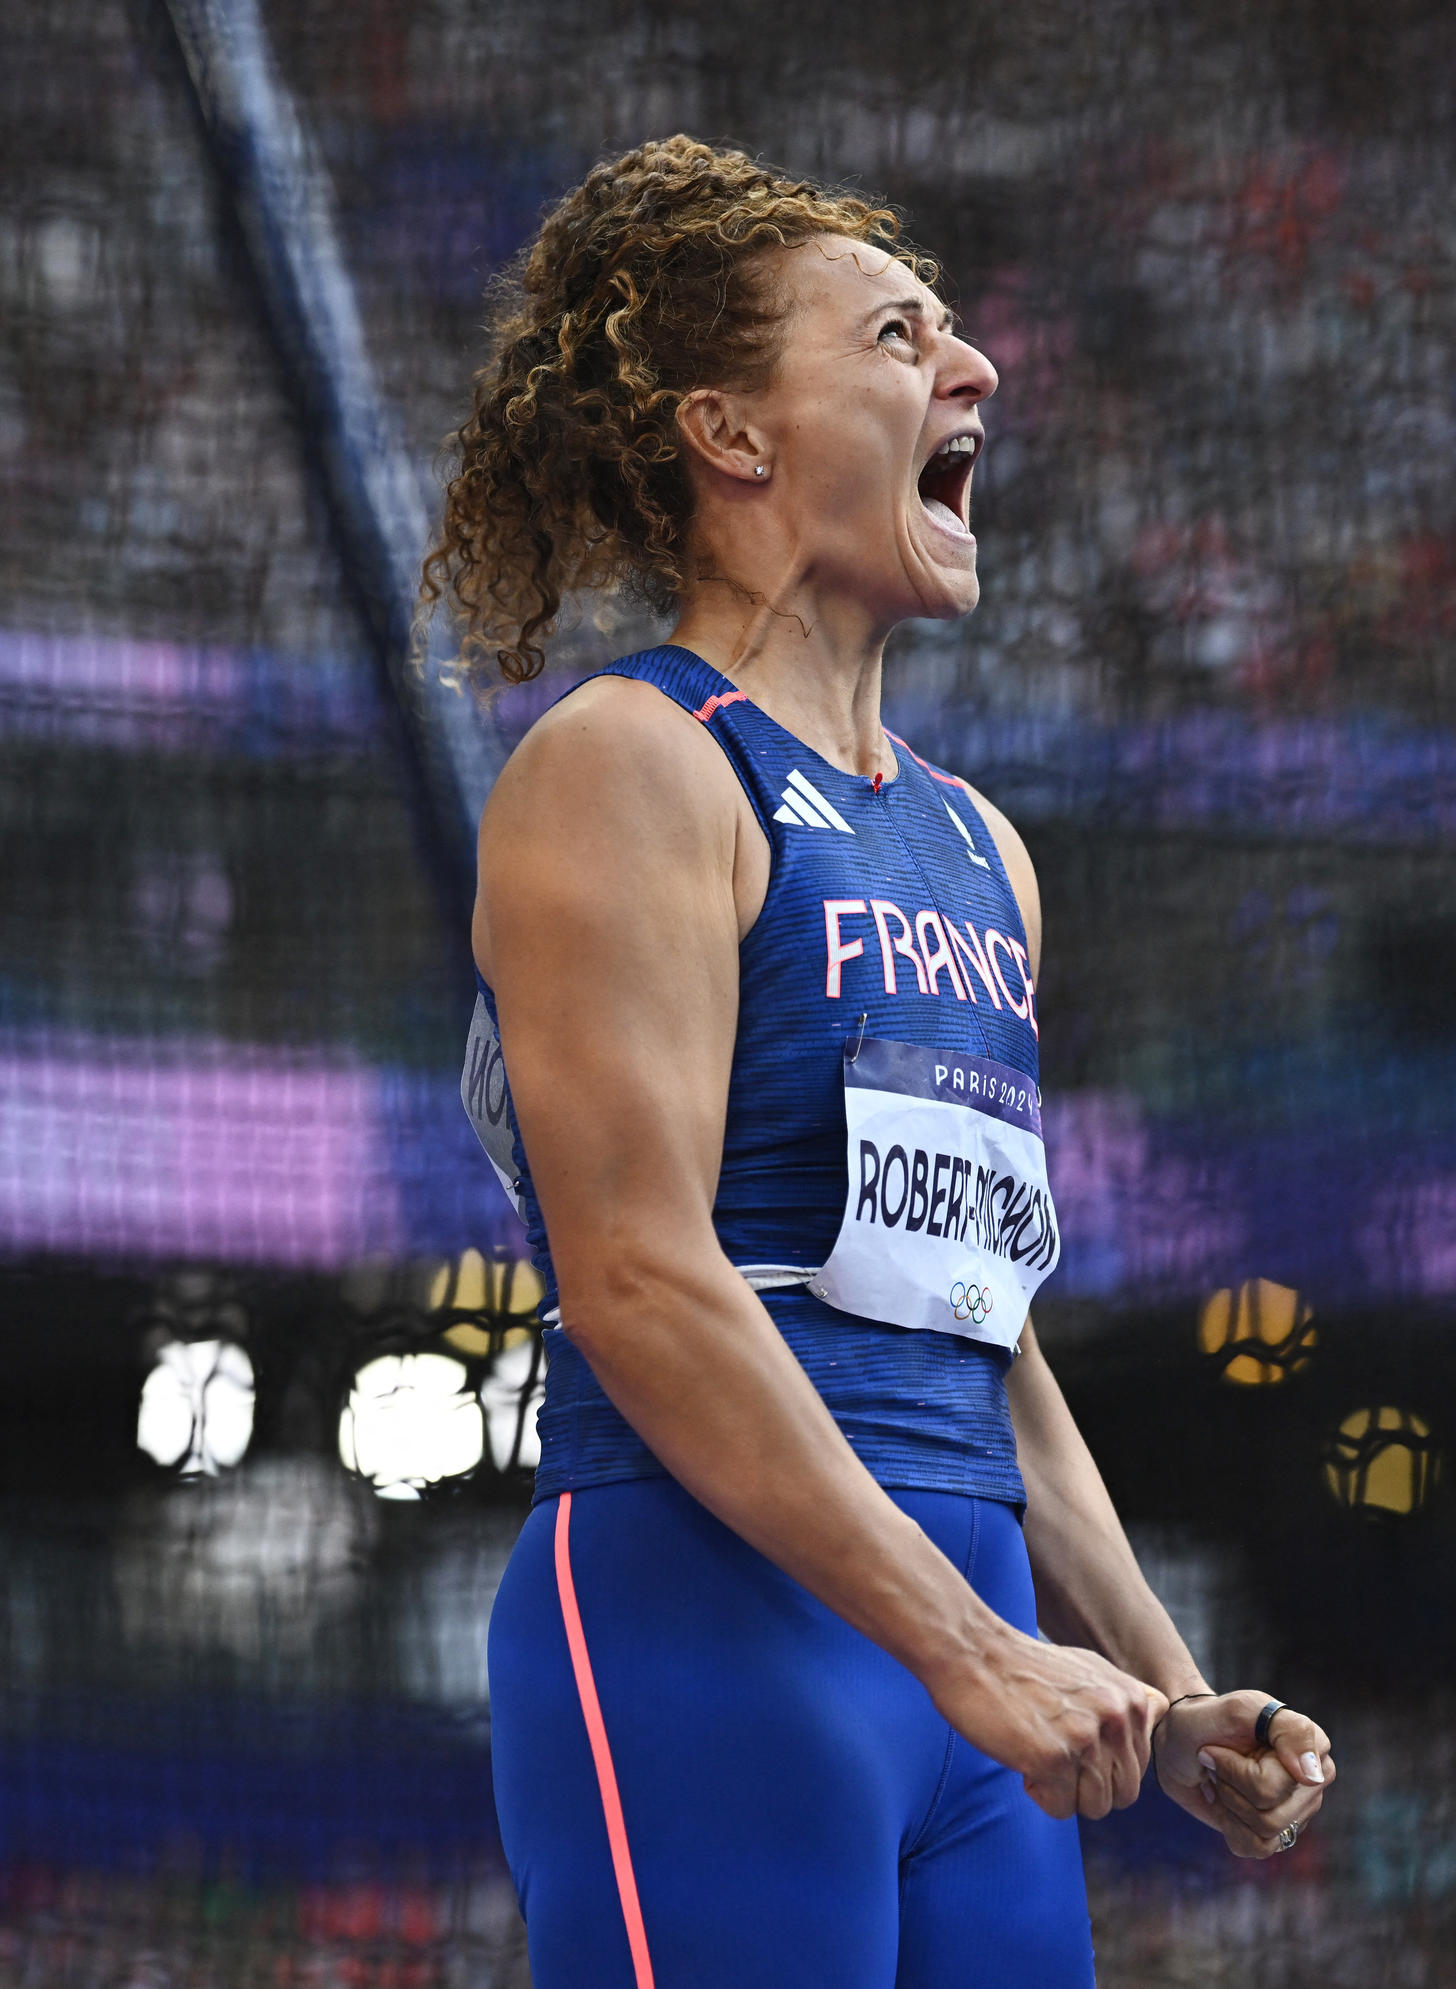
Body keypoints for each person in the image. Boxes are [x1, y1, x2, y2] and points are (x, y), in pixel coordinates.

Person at [423, 135, 1332, 1987]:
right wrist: (970, 1652)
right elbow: (640, 1273)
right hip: (711, 1624)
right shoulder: (631, 763)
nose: (974, 366)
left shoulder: (981, 850)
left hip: (968, 1658)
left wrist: (1161, 1686)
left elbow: (971, 1321)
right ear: (732, 434)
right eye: (902, 335)